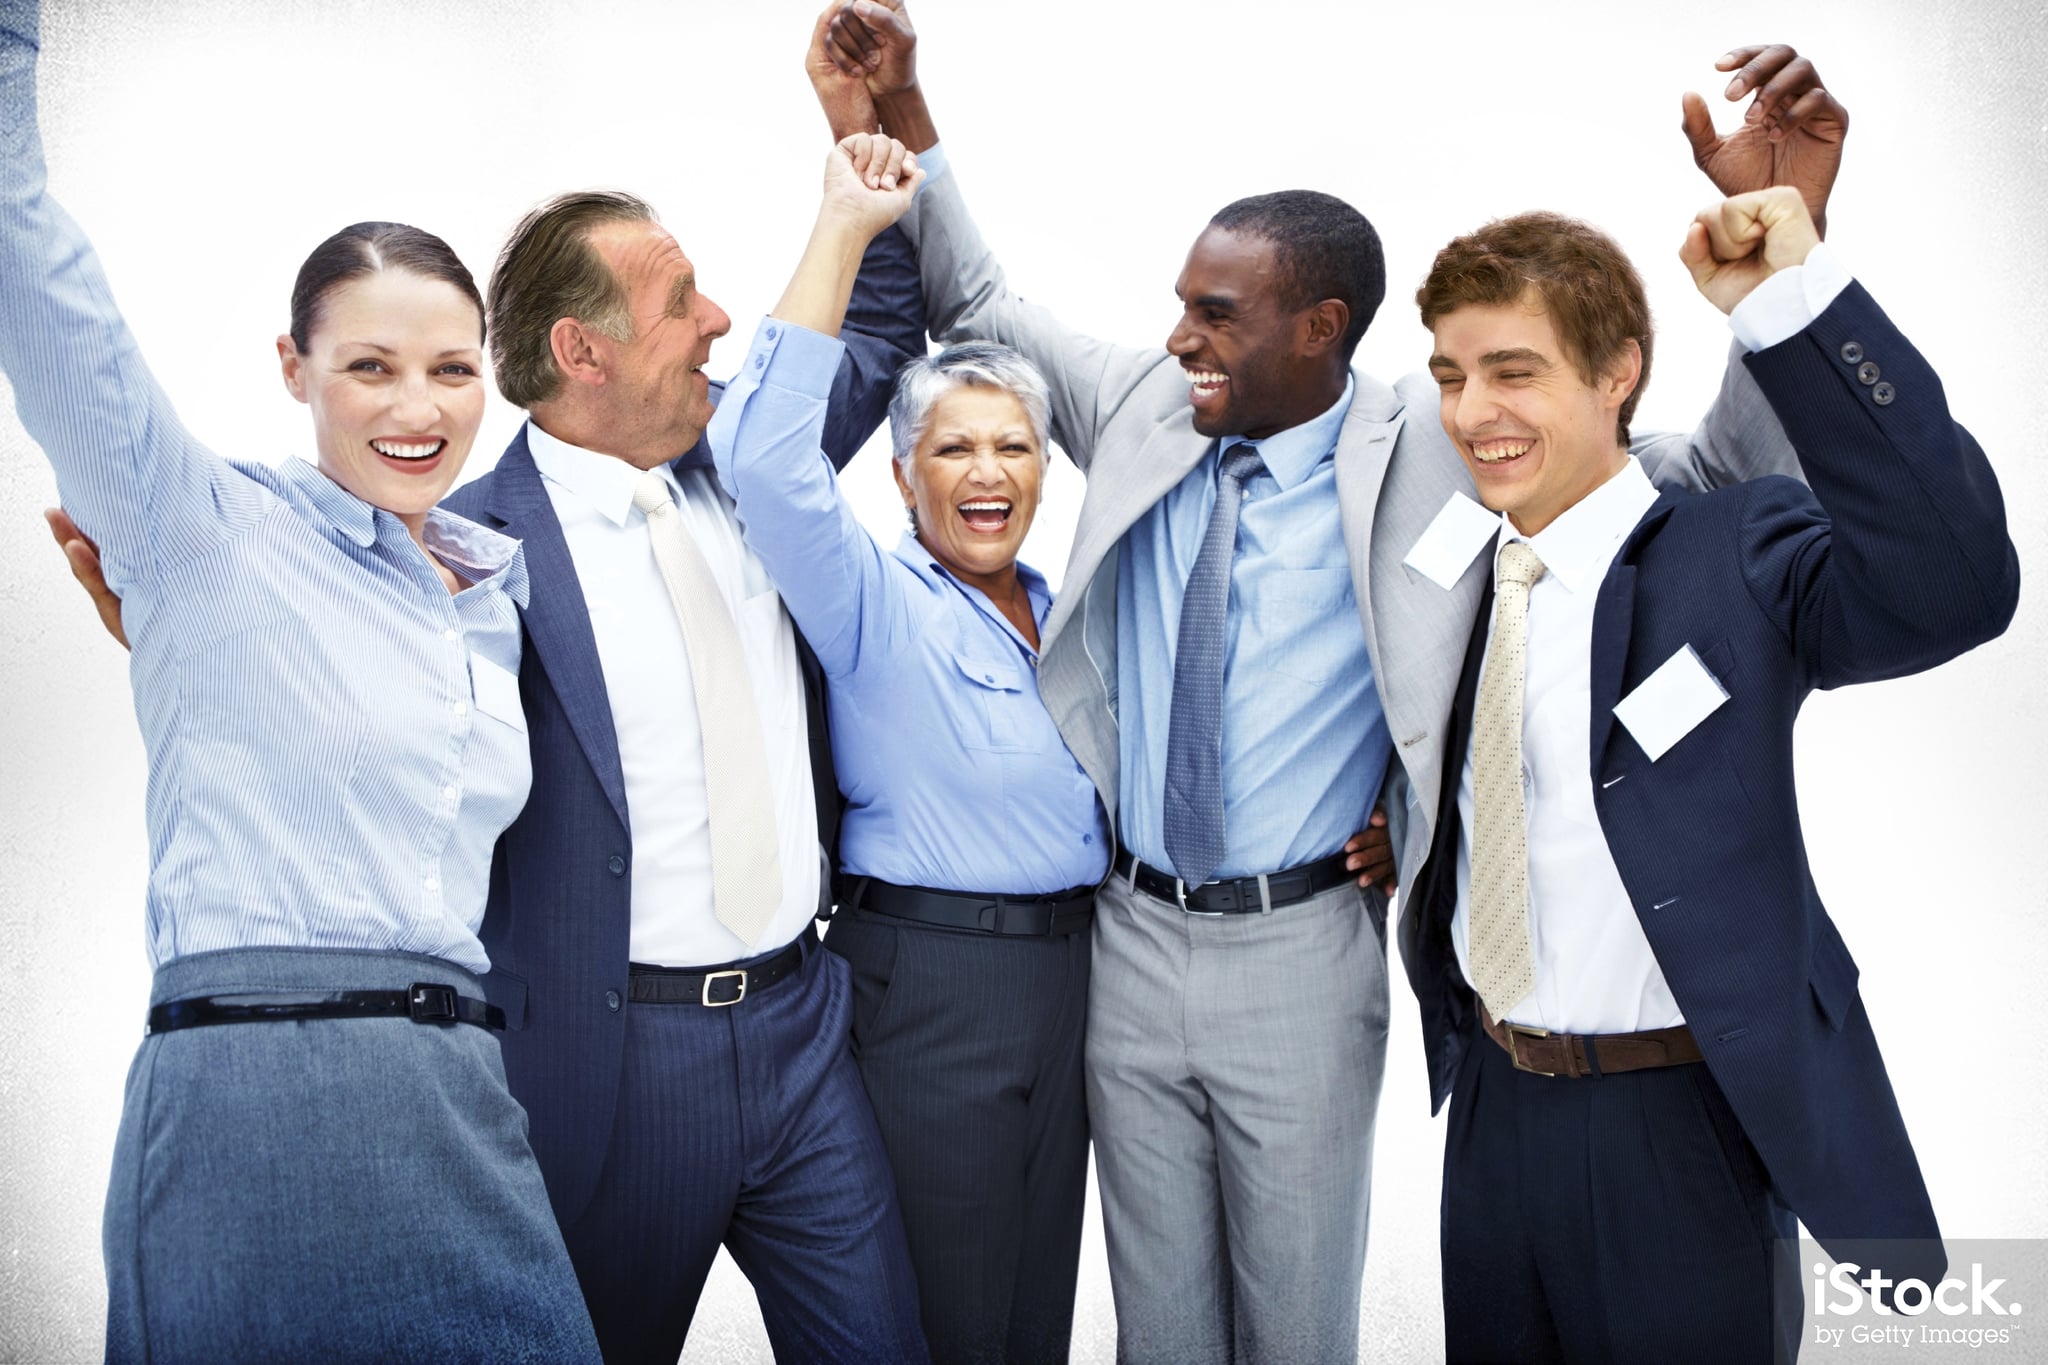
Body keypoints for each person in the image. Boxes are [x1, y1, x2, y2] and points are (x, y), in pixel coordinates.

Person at [816, 5, 1847, 1360]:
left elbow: (1706, 478)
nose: (1180, 332)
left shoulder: (1437, 438)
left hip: (1302, 953)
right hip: (1125, 943)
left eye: (1217, 312)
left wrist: (1788, 263)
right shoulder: (1144, 401)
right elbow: (981, 298)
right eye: (1182, 302)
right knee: (1162, 1331)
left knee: (1297, 1325)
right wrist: (906, 103)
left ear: (1323, 327)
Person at [43, 61, 938, 1365]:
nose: (722, 320)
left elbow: (880, 317)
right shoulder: (460, 557)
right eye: (681, 302)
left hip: (807, 1034)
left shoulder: (757, 455)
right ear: (585, 351)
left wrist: (874, 117)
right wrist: (177, 630)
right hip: (614, 1066)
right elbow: (333, 695)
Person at [0, 2, 599, 1361]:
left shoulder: (488, 591)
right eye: (370, 367)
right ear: (296, 369)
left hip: (455, 1093)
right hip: (258, 1086)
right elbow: (32, 271)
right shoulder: (194, 527)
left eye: (452, 371)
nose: (417, 408)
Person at [1402, 187, 2016, 1363]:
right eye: (1448, 375)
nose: (1470, 411)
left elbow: (1951, 586)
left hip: (1675, 1127)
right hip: (1488, 1108)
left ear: (1616, 373)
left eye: (1512, 372)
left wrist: (1788, 304)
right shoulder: (1463, 573)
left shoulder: (1731, 546)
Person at [716, 319, 1103, 1358]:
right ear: (899, 474)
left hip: (1073, 978)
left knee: (1034, 1311)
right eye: (953, 447)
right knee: (950, 1310)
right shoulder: (872, 603)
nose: (987, 471)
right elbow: (761, 464)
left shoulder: (1064, 614)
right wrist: (850, 233)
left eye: (1013, 446)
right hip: (935, 983)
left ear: (1044, 470)